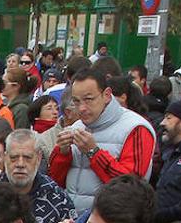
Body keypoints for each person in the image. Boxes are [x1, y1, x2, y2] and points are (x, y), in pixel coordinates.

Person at [49, 67, 157, 213]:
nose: (81, 108)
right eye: (76, 101)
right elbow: (55, 182)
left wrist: (94, 152)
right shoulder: (76, 126)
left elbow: (132, 187)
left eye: (88, 99)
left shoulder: (136, 128)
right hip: (71, 221)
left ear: (106, 95)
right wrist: (62, 152)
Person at [3, 128, 76, 223]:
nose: (20, 164)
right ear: (5, 157)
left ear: (38, 158)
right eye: (14, 157)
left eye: (27, 157)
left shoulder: (57, 197)